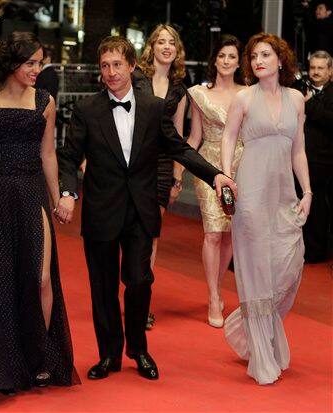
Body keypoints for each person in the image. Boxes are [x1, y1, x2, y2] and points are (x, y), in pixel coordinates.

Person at [57, 36, 236, 382]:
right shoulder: (87, 109)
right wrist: (67, 192)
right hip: (101, 209)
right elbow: (68, 157)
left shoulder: (153, 108)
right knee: (103, 287)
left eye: (117, 65)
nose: (111, 72)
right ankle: (108, 354)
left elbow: (179, 149)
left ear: (132, 66)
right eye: (105, 66)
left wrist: (216, 176)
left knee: (139, 281)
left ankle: (137, 349)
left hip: (141, 208)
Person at [0, 32, 79, 403]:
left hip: (30, 192)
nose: (37, 69)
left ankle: (38, 354)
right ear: (11, 64)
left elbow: (49, 155)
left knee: (40, 277)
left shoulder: (45, 101)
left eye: (40, 62)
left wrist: (58, 199)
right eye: (31, 63)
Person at [222, 33, 311, 385]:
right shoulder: (244, 98)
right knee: (257, 271)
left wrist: (308, 190)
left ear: (280, 59)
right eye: (253, 55)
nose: (258, 60)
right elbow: (229, 137)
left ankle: (243, 326)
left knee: (292, 261)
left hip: (284, 195)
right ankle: (261, 356)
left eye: (265, 54)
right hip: (252, 192)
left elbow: (298, 149)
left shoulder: (296, 100)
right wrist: (226, 177)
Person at [185, 35, 246, 328]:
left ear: (238, 62)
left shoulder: (248, 94)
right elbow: (194, 137)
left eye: (231, 57)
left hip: (241, 166)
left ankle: (218, 286)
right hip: (209, 167)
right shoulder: (198, 93)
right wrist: (176, 170)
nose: (225, 61)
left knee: (230, 234)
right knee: (212, 233)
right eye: (221, 56)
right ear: (214, 60)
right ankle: (212, 297)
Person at [135, 23, 188, 330]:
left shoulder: (179, 88)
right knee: (132, 232)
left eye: (172, 42)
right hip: (134, 162)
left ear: (176, 50)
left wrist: (179, 176)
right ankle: (131, 290)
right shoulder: (136, 79)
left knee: (151, 234)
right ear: (152, 47)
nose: (167, 46)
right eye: (161, 42)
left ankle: (142, 303)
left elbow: (178, 134)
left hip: (164, 165)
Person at [300, 50, 333, 262]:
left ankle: (316, 251)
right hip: (299, 159)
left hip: (325, 163)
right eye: (313, 68)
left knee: (319, 207)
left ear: (330, 71)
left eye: (321, 68)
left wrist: (309, 104)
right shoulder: (300, 89)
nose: (315, 72)